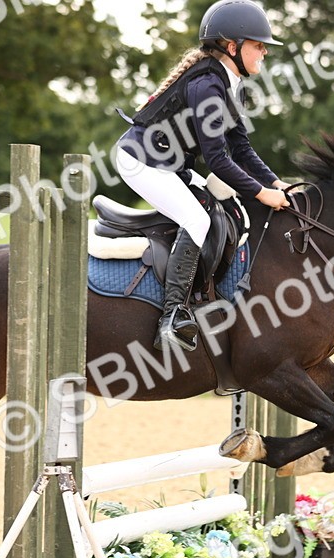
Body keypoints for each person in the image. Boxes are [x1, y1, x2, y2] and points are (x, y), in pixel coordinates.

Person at [114, 0, 291, 352]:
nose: (264, 53)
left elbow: (241, 149)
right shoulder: (208, 85)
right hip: (140, 161)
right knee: (196, 220)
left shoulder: (229, 83)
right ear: (232, 47)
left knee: (221, 207)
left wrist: (275, 182)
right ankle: (172, 315)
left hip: (169, 164)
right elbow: (218, 161)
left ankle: (203, 297)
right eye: (259, 46)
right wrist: (260, 193)